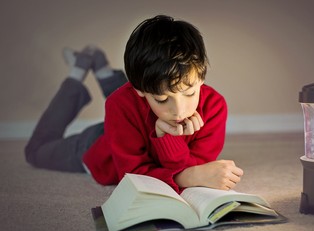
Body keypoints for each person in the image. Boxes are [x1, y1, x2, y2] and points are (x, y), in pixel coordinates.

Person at [25, 15, 243, 193]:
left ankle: (100, 65)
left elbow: (193, 162)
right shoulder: (122, 103)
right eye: (162, 99)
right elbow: (132, 177)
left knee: (137, 99)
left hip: (130, 121)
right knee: (34, 152)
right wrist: (191, 175)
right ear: (138, 89)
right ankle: (77, 73)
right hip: (98, 146)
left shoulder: (214, 106)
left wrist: (167, 137)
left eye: (189, 93)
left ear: (202, 79)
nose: (179, 111)